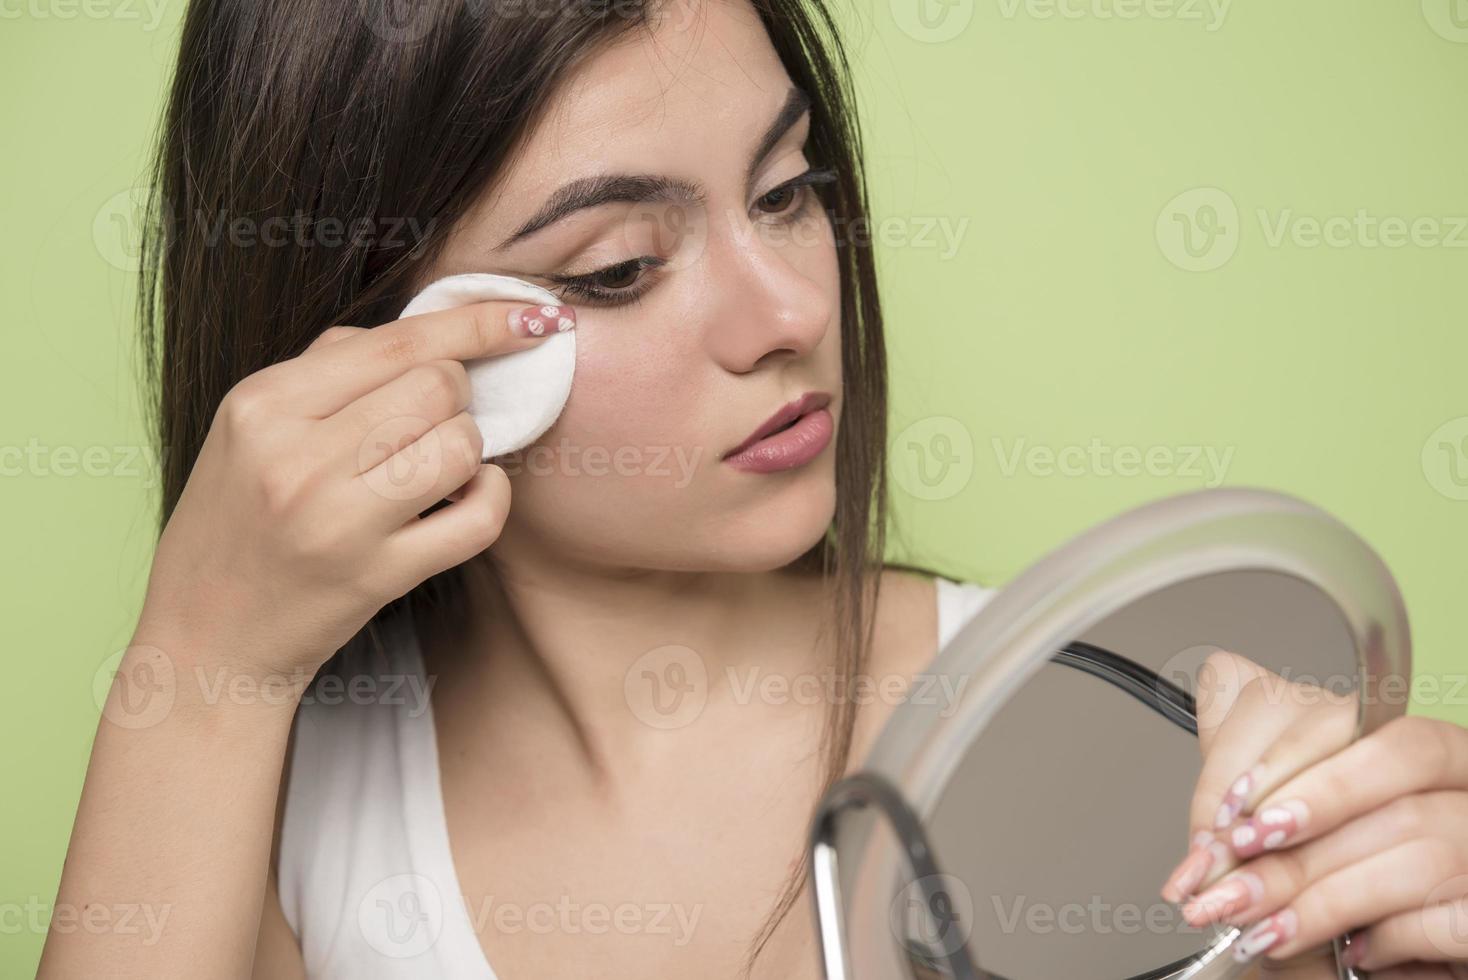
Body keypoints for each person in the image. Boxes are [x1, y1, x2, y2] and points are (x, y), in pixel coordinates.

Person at [39, 0, 1468, 977]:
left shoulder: (1125, 735)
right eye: (617, 269)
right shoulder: (286, 824)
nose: (787, 306)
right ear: (378, 343)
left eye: (790, 188)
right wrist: (199, 659)